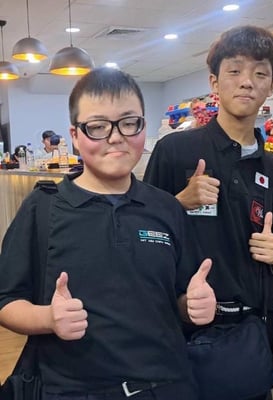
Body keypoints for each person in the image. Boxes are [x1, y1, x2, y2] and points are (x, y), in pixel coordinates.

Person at [0, 67, 217, 400]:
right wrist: (48, 318)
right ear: (75, 135)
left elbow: (180, 297)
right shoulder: (43, 208)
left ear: (143, 126)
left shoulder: (166, 207)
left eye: (129, 123)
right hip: (72, 390)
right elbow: (6, 302)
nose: (115, 137)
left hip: (167, 385)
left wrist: (194, 306)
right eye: (98, 126)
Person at [143, 25, 273, 399]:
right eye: (235, 70)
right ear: (214, 81)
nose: (246, 81)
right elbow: (142, 235)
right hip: (184, 326)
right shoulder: (175, 151)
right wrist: (178, 203)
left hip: (252, 331)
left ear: (271, 86)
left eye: (259, 73)